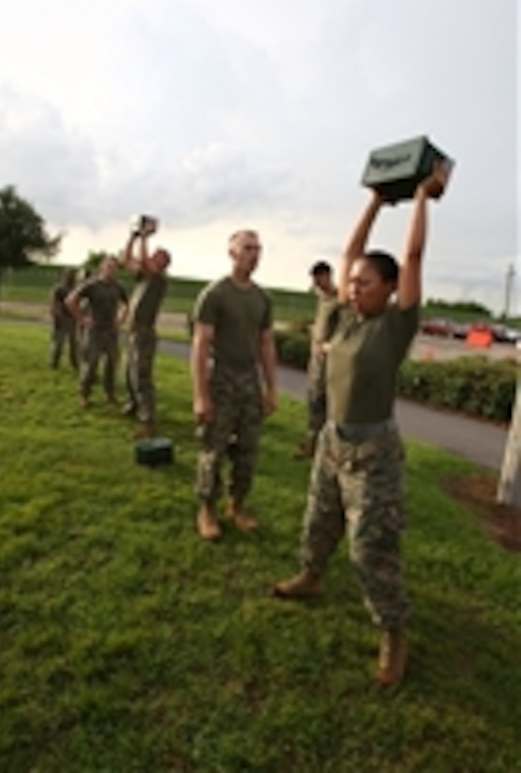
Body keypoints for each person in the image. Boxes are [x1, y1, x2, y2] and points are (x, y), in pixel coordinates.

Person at [273, 162, 451, 689]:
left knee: (370, 547)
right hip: (333, 441)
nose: (354, 288)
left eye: (366, 284)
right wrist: (376, 201)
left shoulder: (396, 325)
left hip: (374, 452)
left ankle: (394, 631)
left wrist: (419, 197)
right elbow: (352, 253)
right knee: (318, 521)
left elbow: (414, 255)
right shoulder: (348, 317)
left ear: (391, 288)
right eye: (351, 284)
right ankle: (311, 576)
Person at [191, 230, 278, 541]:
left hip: (248, 382)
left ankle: (237, 505)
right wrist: (201, 396)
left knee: (248, 450)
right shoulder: (215, 294)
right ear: (232, 253)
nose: (254, 254)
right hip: (221, 379)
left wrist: (271, 389)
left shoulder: (262, 298)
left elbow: (266, 344)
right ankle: (207, 509)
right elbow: (201, 346)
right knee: (213, 448)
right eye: (247, 248)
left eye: (258, 248)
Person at [121, 215, 172, 438]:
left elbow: (145, 261)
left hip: (145, 333)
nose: (152, 256)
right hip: (133, 331)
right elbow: (127, 261)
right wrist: (133, 238)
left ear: (164, 264)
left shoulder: (159, 279)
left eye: (158, 256)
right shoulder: (144, 277)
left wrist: (144, 238)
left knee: (141, 376)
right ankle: (134, 405)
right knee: (128, 373)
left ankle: (148, 420)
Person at [65, 255, 128, 408]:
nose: (111, 271)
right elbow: (70, 300)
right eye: (108, 267)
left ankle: (110, 394)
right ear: (102, 268)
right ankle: (84, 394)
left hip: (111, 331)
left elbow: (127, 304)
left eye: (114, 268)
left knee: (112, 364)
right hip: (94, 330)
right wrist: (82, 318)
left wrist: (121, 318)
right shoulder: (92, 285)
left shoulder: (118, 287)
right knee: (90, 364)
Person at [293, 260, 338, 459]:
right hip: (316, 362)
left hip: (331, 364)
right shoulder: (323, 300)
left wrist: (331, 347)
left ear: (327, 276)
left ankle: (326, 450)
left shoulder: (340, 301)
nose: (316, 284)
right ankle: (312, 446)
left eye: (318, 279)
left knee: (327, 406)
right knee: (313, 403)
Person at [49, 268, 78, 370]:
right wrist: (55, 315)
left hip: (73, 319)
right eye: (69, 275)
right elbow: (53, 303)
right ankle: (54, 362)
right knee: (58, 343)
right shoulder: (59, 288)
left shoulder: (76, 289)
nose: (71, 277)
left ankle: (75, 363)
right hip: (61, 318)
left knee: (74, 344)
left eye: (73, 275)